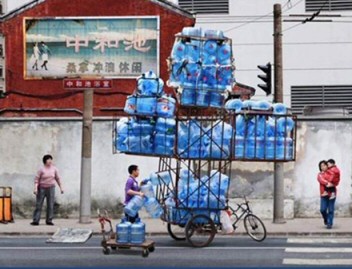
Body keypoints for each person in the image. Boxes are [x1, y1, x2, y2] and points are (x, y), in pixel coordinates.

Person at [31, 155, 64, 226]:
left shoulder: (54, 169)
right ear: (45, 161)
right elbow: (36, 180)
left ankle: (49, 220)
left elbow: (58, 179)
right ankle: (36, 220)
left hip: (51, 188)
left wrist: (61, 188)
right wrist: (35, 188)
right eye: (48, 159)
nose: (50, 161)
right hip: (41, 188)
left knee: (50, 205)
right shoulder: (41, 169)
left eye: (50, 159)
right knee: (39, 204)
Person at [317, 160, 339, 229]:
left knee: (331, 209)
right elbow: (321, 180)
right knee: (322, 210)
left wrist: (333, 184)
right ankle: (326, 219)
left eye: (324, 165)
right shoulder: (320, 174)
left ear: (327, 166)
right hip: (324, 194)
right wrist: (328, 183)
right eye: (321, 166)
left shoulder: (331, 172)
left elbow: (336, 181)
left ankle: (329, 223)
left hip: (332, 194)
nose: (323, 167)